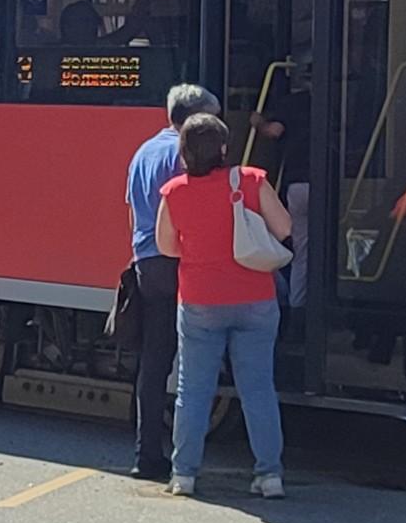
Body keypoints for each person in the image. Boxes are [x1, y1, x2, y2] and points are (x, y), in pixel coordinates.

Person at [156, 110, 293, 500]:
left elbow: (167, 247)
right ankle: (269, 476)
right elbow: (285, 228)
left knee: (193, 391)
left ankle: (184, 474)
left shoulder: (175, 192)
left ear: (184, 152)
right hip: (255, 299)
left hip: (200, 301)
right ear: (223, 149)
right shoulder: (251, 180)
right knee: (258, 389)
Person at [121, 83, 215, 485]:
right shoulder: (186, 155)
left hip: (147, 261)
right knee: (191, 360)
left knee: (155, 360)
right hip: (180, 260)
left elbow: (132, 215)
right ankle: (184, 458)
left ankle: (147, 453)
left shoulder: (142, 152)